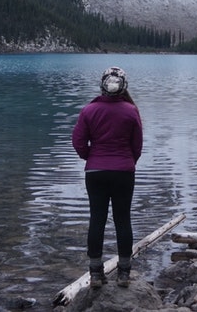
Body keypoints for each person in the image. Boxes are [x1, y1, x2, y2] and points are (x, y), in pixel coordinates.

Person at [71, 66, 143, 288]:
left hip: (95, 172)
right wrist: (128, 162)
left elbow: (78, 142)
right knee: (123, 220)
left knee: (97, 219)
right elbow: (137, 146)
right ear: (124, 86)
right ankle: (123, 273)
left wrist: (90, 158)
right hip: (123, 172)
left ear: (102, 85)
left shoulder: (89, 111)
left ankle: (95, 274)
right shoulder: (131, 111)